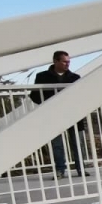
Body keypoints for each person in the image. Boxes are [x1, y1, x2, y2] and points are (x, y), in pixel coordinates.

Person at [30, 50, 85, 178]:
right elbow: (34, 96)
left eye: (69, 62)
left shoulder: (75, 77)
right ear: (55, 61)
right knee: (57, 145)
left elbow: (81, 96)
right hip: (53, 115)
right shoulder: (42, 77)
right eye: (64, 61)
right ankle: (60, 170)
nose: (67, 64)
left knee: (78, 143)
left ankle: (81, 169)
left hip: (73, 114)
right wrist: (48, 105)